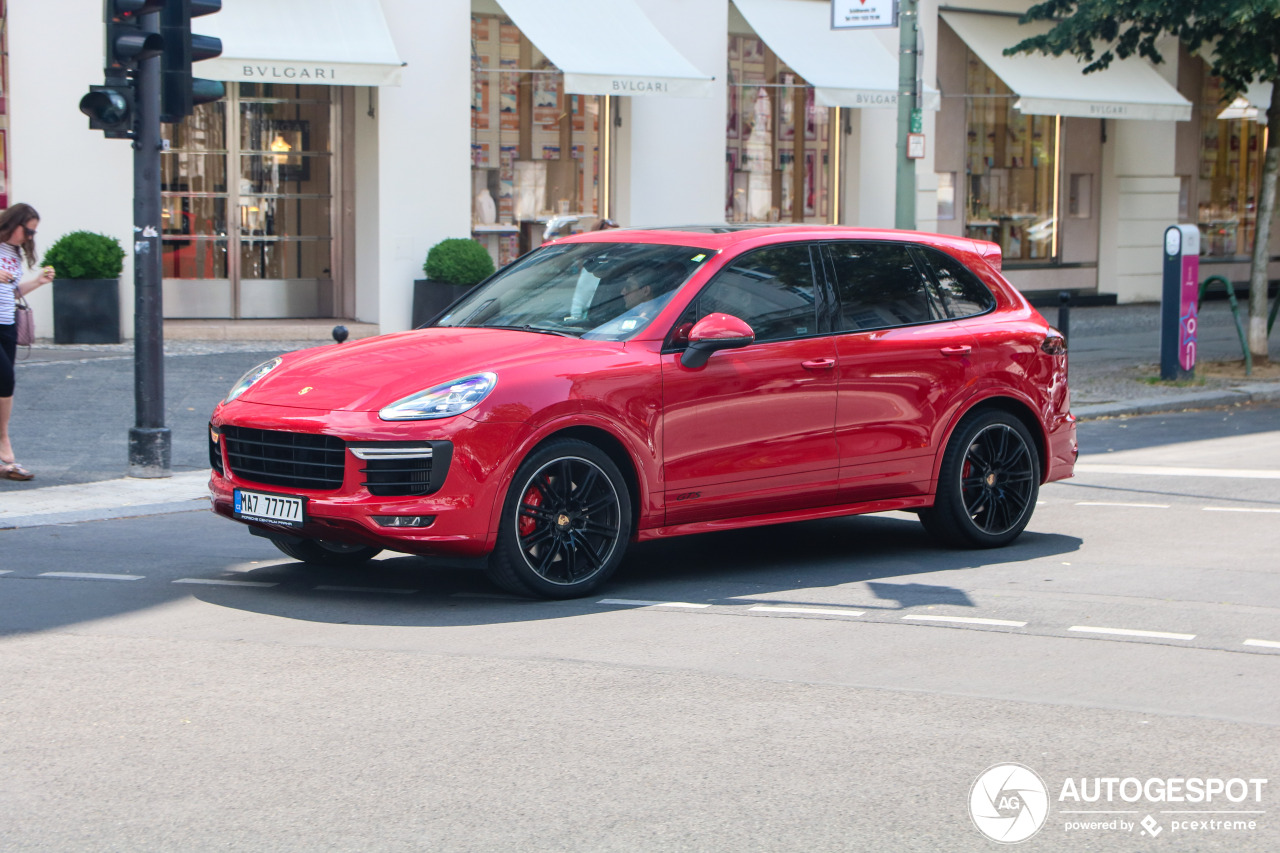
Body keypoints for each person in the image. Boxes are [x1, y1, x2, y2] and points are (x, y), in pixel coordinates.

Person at [0, 203, 55, 481]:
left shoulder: (13, 253)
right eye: (28, 230)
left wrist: (38, 282)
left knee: (5, 382)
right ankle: (4, 438)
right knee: (5, 379)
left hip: (6, 322)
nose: (30, 236)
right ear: (14, 222)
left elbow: (12, 290)